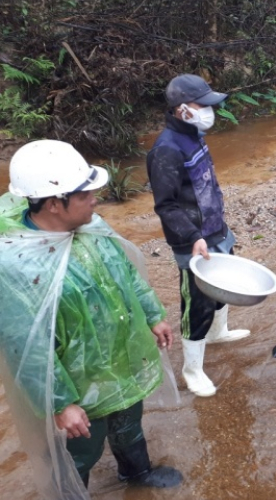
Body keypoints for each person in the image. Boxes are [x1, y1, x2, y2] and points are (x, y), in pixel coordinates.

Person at [0, 140, 182, 496]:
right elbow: (27, 348)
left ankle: (136, 472)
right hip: (80, 388)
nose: (96, 199)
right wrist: (60, 403)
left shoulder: (89, 227)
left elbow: (127, 274)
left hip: (124, 361)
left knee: (129, 426)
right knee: (79, 454)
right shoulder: (17, 266)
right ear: (54, 203)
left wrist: (153, 314)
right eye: (85, 194)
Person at [146, 74, 250, 398]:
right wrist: (192, 235)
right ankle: (192, 369)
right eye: (200, 105)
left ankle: (218, 334)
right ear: (181, 110)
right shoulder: (165, 150)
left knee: (225, 287)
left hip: (214, 229)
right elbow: (166, 206)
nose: (208, 110)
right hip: (192, 240)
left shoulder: (194, 134)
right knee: (197, 303)